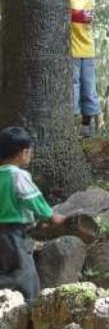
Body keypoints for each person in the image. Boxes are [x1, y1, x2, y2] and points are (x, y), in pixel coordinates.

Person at [0, 127, 64, 304]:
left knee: (5, 268)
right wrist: (50, 216)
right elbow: (33, 199)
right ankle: (31, 306)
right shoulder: (18, 175)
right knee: (24, 273)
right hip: (12, 234)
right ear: (24, 153)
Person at [70, 0, 100, 138]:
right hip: (88, 51)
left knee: (73, 88)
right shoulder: (90, 0)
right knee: (89, 89)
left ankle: (72, 125)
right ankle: (87, 127)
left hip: (73, 51)